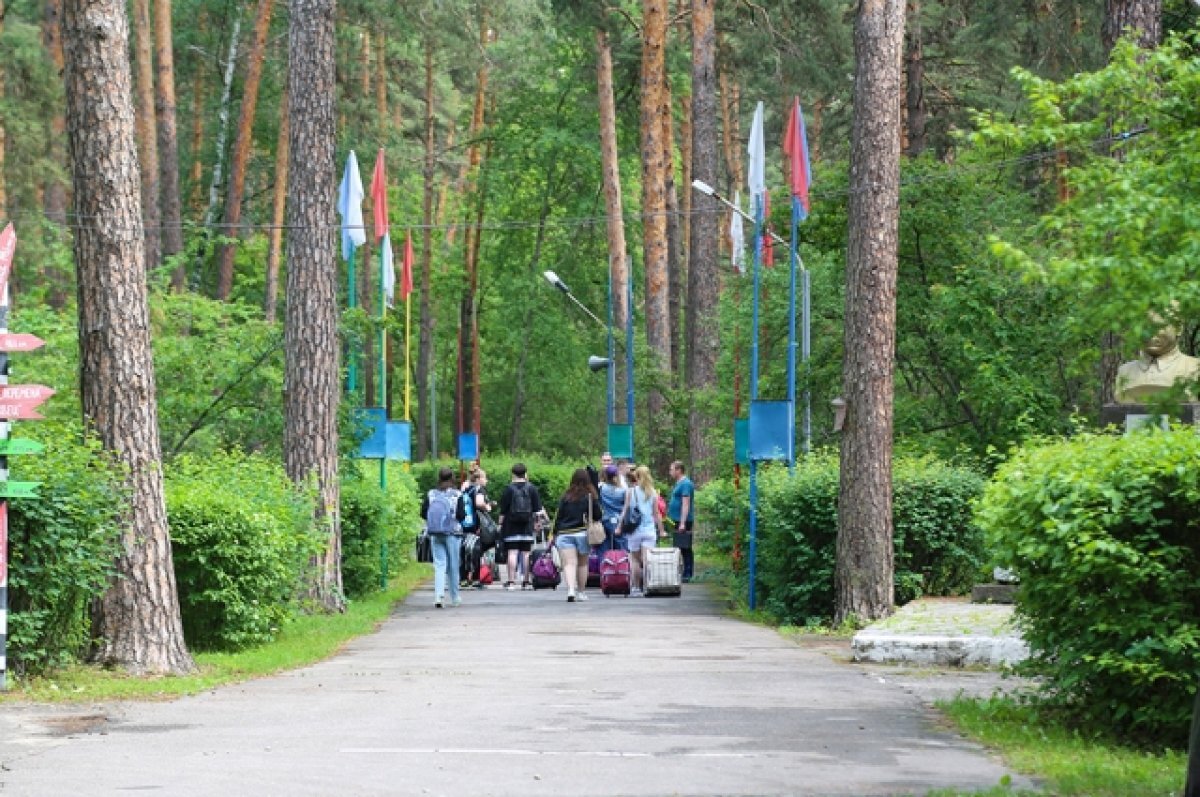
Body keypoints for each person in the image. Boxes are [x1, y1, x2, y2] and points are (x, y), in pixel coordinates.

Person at [1115, 321, 1200, 403]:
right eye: (1144, 326)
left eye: (1160, 326)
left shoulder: (1196, 367)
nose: (1150, 333)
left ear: (1178, 328)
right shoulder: (1124, 371)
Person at [551, 468, 598, 602]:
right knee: (582, 564)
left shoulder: (566, 496)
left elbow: (558, 516)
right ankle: (582, 592)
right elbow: (598, 515)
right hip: (583, 533)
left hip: (565, 534)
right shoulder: (590, 495)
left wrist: (554, 533)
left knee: (569, 564)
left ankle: (571, 590)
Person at [497, 462, 544, 590]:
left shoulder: (509, 489)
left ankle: (511, 582)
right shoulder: (531, 488)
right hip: (527, 524)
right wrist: (538, 523)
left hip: (511, 525)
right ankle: (526, 581)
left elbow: (503, 509)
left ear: (513, 474)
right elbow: (537, 509)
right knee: (526, 554)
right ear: (525, 473)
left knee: (512, 553)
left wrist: (500, 524)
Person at [420, 467, 463, 608]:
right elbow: (461, 515)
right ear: (452, 478)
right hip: (453, 533)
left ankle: (438, 596)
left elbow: (423, 512)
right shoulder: (457, 494)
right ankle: (455, 597)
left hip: (435, 533)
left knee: (439, 565)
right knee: (453, 565)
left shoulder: (431, 494)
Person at [621, 466, 665, 597]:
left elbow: (625, 510)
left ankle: (635, 588)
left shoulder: (630, 492)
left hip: (634, 531)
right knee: (646, 560)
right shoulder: (653, 493)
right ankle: (647, 586)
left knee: (634, 560)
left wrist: (619, 526)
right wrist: (661, 530)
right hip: (649, 530)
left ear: (637, 477)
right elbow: (656, 513)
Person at [460, 465, 494, 587]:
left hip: (464, 523)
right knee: (475, 550)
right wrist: (487, 507)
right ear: (479, 478)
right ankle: (475, 578)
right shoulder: (479, 489)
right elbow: (479, 503)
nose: (486, 481)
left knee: (464, 550)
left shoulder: (465, 487)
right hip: (475, 524)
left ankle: (463, 578)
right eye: (485, 478)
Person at [667, 460, 696, 582]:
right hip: (676, 519)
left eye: (672, 470)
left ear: (679, 470)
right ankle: (682, 571)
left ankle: (688, 573)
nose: (670, 472)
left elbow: (686, 503)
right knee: (679, 546)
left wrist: (683, 522)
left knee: (685, 547)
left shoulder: (686, 484)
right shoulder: (679, 483)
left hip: (682, 520)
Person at [597, 464, 630, 551]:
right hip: (618, 520)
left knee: (604, 547)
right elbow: (626, 507)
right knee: (621, 546)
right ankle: (622, 563)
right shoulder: (623, 491)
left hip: (605, 520)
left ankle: (604, 563)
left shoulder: (601, 488)